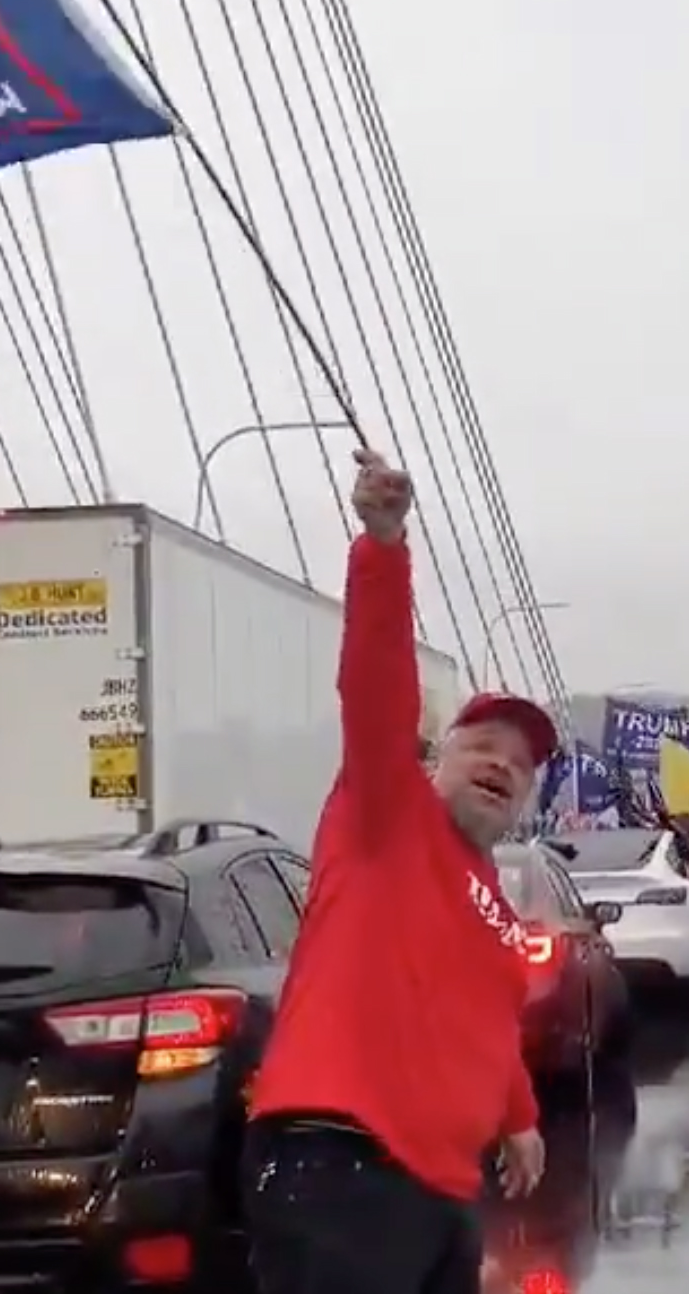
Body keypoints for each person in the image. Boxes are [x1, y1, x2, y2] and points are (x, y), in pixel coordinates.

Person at [243, 451, 561, 1294]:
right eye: (483, 748)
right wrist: (383, 548)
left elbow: (487, 1019)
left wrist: (519, 1122)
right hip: (343, 1165)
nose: (502, 766)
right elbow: (376, 688)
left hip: (442, 1190)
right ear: (434, 760)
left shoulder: (491, 897)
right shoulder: (385, 814)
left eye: (521, 764)